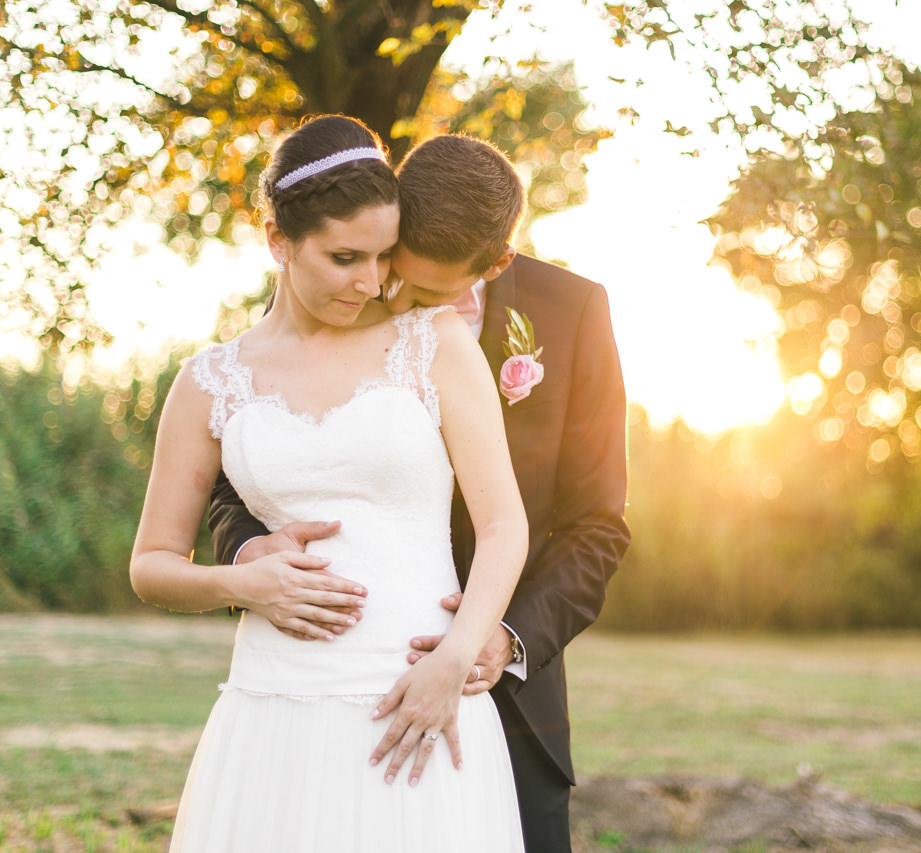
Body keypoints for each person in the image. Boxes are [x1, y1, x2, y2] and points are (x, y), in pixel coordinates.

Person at [209, 134, 631, 850]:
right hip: (332, 678)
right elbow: (241, 467)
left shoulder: (574, 311)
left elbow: (597, 524)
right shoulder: (343, 283)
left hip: (510, 696)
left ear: (494, 264)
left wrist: (500, 638)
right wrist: (254, 552)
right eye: (388, 270)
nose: (389, 296)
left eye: (427, 293)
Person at [130, 115, 528, 850]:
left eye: (383, 256)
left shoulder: (433, 343)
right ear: (278, 239)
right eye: (345, 257)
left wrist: (455, 654)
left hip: (418, 694)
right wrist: (242, 583)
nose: (371, 282)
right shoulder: (207, 380)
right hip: (274, 704)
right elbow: (152, 565)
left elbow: (505, 523)